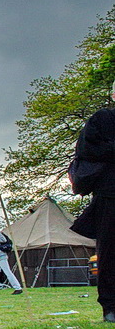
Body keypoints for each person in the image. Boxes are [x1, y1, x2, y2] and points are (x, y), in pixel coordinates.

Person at [69, 87, 115, 323]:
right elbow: (88, 150)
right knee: (109, 252)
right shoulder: (103, 119)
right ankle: (110, 306)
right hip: (110, 195)